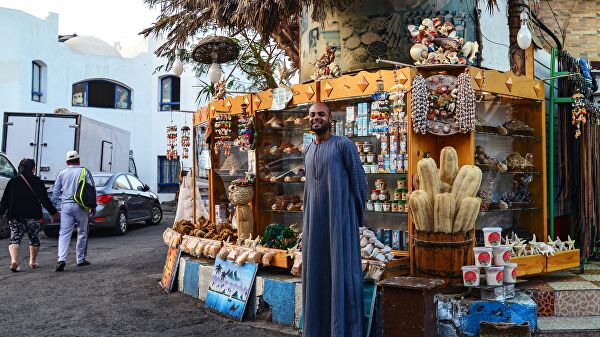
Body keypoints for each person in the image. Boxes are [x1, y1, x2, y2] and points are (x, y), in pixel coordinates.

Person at [302, 102, 368, 337]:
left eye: (321, 114)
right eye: (311, 115)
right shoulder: (307, 150)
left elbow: (360, 182)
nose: (315, 118)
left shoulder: (344, 146)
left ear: (330, 118)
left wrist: (353, 219)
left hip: (340, 222)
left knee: (342, 273)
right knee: (316, 274)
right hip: (314, 225)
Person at [0, 159, 59, 271]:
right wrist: (53, 212)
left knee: (15, 238)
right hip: (33, 215)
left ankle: (14, 261)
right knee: (34, 239)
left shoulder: (12, 181)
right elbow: (44, 200)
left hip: (15, 215)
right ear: (33, 169)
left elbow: (4, 201)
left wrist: (1, 213)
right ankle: (32, 261)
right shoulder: (37, 181)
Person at [51, 150, 96, 271]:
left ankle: (61, 259)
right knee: (82, 232)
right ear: (79, 160)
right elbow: (92, 189)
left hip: (66, 206)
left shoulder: (62, 173)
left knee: (64, 233)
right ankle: (80, 259)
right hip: (81, 206)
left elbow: (55, 193)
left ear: (67, 162)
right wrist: (93, 206)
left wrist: (53, 210)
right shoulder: (84, 171)